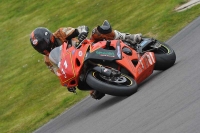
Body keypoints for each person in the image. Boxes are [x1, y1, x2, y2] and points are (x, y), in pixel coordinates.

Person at [30, 20, 142, 100]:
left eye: (43, 44)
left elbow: (79, 29)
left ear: (49, 37)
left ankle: (128, 37)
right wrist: (68, 83)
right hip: (78, 68)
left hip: (86, 48)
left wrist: (82, 33)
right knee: (95, 94)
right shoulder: (47, 60)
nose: (43, 49)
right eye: (39, 48)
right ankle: (109, 78)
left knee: (98, 32)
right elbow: (59, 72)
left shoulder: (60, 33)